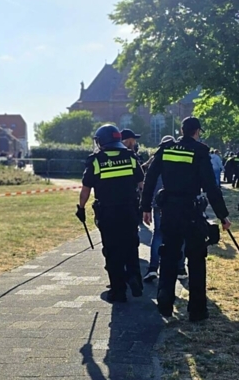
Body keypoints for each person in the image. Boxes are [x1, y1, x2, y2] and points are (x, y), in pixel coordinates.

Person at [141, 116, 230, 321]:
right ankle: (197, 311)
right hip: (191, 212)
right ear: (197, 131)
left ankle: (164, 303)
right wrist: (222, 215)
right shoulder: (199, 151)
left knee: (169, 256)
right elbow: (210, 186)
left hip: (169, 211)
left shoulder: (166, 149)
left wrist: (145, 206)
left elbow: (150, 177)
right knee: (197, 259)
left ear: (181, 130)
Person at [77, 125, 145, 302]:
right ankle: (134, 277)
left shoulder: (96, 161)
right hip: (129, 211)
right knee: (131, 246)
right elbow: (141, 183)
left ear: (101, 141)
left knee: (112, 251)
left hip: (108, 213)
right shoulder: (130, 157)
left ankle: (118, 291)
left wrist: (81, 208)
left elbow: (85, 190)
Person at [144, 135, 185, 282]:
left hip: (158, 203)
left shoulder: (155, 160)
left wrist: (146, 207)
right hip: (176, 203)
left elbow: (148, 184)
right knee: (180, 235)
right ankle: (180, 267)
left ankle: (153, 268)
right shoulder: (177, 160)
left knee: (158, 234)